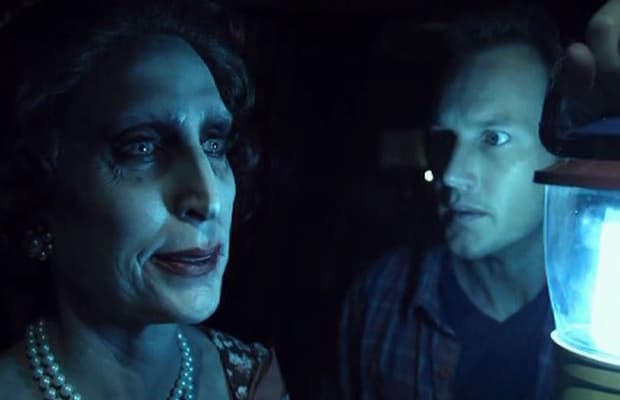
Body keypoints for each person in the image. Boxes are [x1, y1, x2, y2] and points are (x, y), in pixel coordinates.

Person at [0, 1, 289, 399]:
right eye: (141, 147)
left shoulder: (254, 382)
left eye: (214, 144)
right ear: (39, 188)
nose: (208, 199)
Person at [338, 7, 563, 400]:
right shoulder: (379, 296)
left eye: (493, 138)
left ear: (561, 149)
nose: (451, 173)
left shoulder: (602, 316)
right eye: (443, 139)